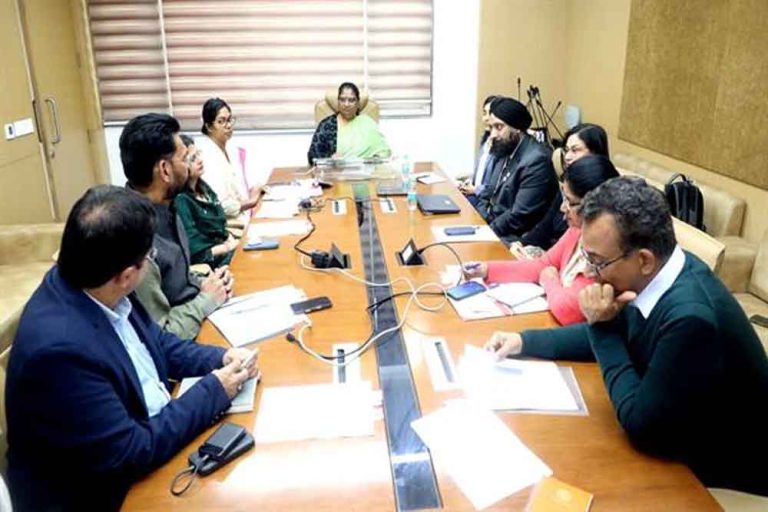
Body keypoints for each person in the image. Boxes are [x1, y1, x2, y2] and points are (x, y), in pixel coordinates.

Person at [485, 177, 768, 496]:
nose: (589, 272)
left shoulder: (691, 319)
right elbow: (620, 330)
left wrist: (600, 326)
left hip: (721, 471)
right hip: (678, 428)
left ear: (644, 259)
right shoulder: (663, 270)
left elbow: (642, 428)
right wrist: (523, 341)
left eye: (597, 262)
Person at [5, 185, 260, 511]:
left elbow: (157, 343)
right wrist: (215, 389)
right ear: (127, 276)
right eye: (148, 259)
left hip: (150, 441)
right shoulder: (60, 354)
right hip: (104, 495)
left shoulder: (98, 282)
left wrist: (220, 357)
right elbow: (132, 451)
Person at [464, 155, 619, 325]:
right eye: (564, 199)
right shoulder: (576, 230)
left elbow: (568, 310)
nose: (563, 208)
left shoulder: (604, 251)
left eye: (570, 202)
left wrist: (549, 279)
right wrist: (486, 269)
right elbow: (542, 265)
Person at [121, 113, 231, 340]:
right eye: (184, 159)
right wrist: (206, 299)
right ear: (165, 170)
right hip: (181, 343)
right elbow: (161, 337)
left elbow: (175, 280)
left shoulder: (167, 205)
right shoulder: (137, 242)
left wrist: (208, 284)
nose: (189, 166)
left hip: (194, 316)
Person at [475, 97, 558, 244]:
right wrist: (480, 221)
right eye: (491, 127)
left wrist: (486, 231)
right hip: (493, 226)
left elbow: (519, 216)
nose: (493, 135)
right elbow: (487, 193)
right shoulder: (505, 148)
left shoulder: (536, 160)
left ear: (517, 127)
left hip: (516, 239)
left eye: (499, 127)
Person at [521, 123, 610, 251]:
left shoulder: (604, 195)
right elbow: (543, 228)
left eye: (575, 150)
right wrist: (519, 245)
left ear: (595, 153)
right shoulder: (568, 183)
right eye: (566, 150)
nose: (567, 157)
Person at [174, 134, 238, 268]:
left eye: (198, 154)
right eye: (192, 159)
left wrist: (230, 239)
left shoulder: (203, 187)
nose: (199, 160)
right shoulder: (181, 200)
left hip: (226, 246)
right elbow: (194, 250)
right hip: (211, 261)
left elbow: (221, 223)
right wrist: (227, 247)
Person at [197, 97, 262, 218]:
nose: (228, 126)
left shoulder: (228, 149)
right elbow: (220, 206)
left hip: (240, 215)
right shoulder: (206, 155)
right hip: (224, 222)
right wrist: (252, 201)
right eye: (221, 121)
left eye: (229, 120)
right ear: (209, 126)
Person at [307, 82, 391, 165]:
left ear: (357, 103)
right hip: (335, 172)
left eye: (351, 100)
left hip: (365, 171)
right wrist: (330, 159)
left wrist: (372, 161)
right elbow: (312, 156)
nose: (346, 104)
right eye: (342, 100)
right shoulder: (327, 125)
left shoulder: (367, 123)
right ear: (338, 102)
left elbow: (383, 152)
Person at [459, 94, 498, 207]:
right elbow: (481, 174)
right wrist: (469, 182)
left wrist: (475, 190)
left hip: (485, 202)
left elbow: (496, 187)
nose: (485, 118)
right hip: (475, 195)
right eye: (484, 113)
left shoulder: (503, 147)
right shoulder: (485, 141)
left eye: (490, 114)